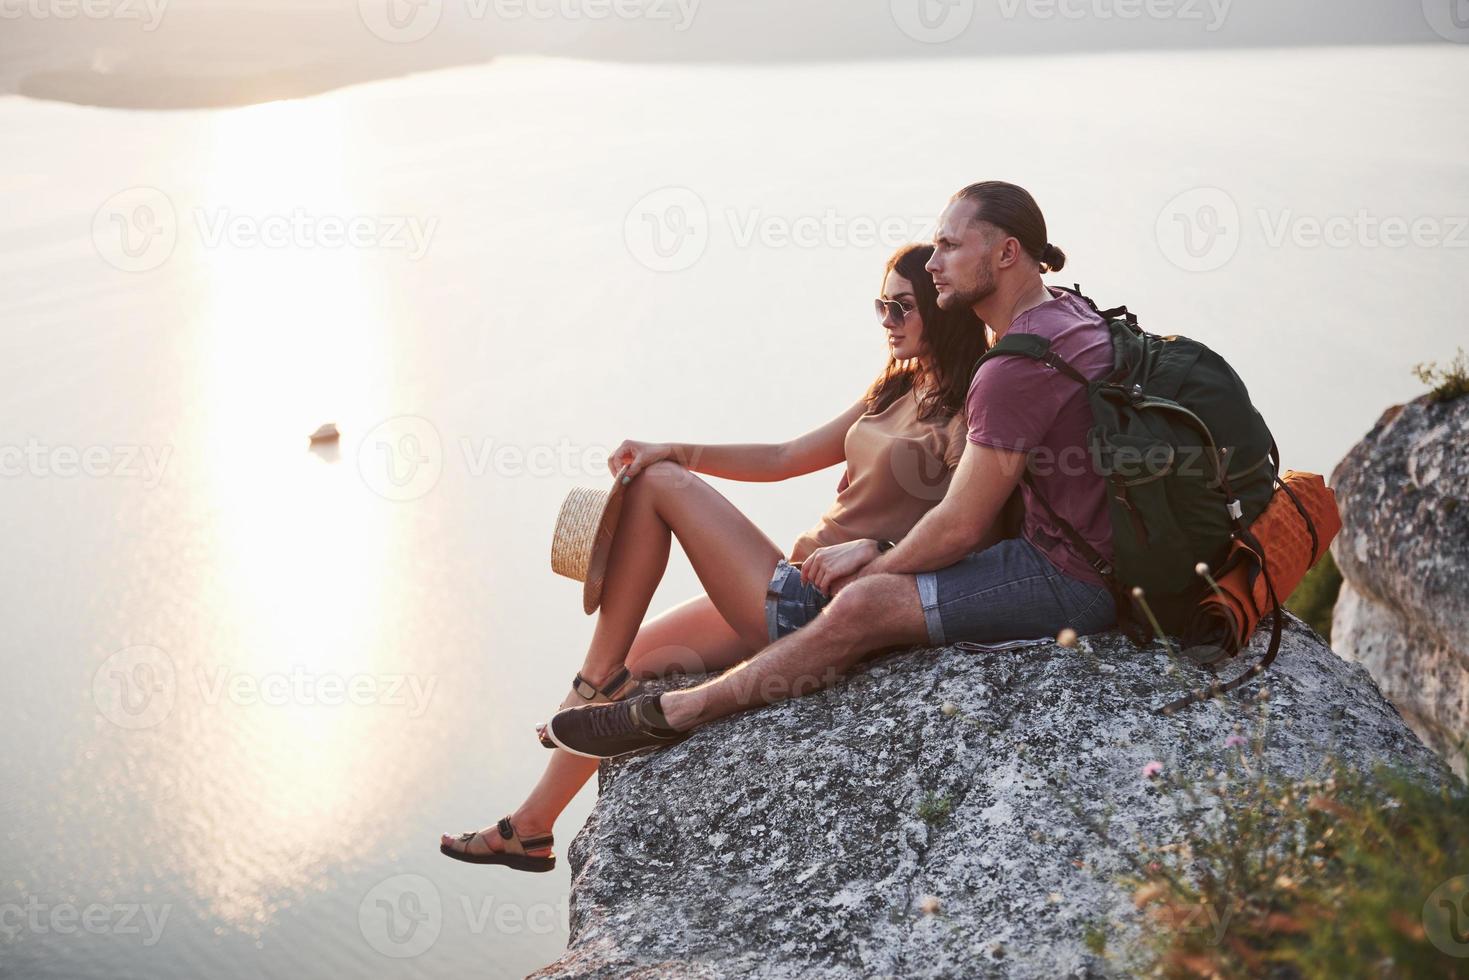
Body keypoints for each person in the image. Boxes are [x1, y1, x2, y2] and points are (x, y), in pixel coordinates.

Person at [442, 243, 999, 870]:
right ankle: (531, 828)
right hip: (783, 582)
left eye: (903, 307)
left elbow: (973, 530)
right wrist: (679, 446)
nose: (888, 321)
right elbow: (787, 456)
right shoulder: (898, 386)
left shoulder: (973, 408)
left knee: (657, 486)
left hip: (816, 608)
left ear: (942, 311)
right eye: (881, 305)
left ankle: (593, 685)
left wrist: (879, 546)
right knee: (639, 652)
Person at [544, 180, 1121, 760]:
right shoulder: (1066, 313)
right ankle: (542, 803)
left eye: (948, 246)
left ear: (1006, 253)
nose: (935, 262)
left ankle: (683, 708)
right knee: (679, 631)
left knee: (860, 605)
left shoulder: (1006, 371)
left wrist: (877, 559)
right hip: (1089, 550)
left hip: (1069, 578)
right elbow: (790, 456)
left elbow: (964, 526)